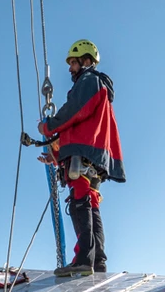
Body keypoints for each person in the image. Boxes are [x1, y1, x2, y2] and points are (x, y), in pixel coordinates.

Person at [40, 39, 125, 276]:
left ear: (86, 61)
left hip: (85, 153)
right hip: (95, 155)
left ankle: (84, 258)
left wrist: (49, 126)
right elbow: (80, 126)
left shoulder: (89, 81)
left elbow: (75, 111)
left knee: (80, 199)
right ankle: (98, 260)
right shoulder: (99, 87)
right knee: (91, 203)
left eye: (74, 63)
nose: (70, 68)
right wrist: (56, 156)